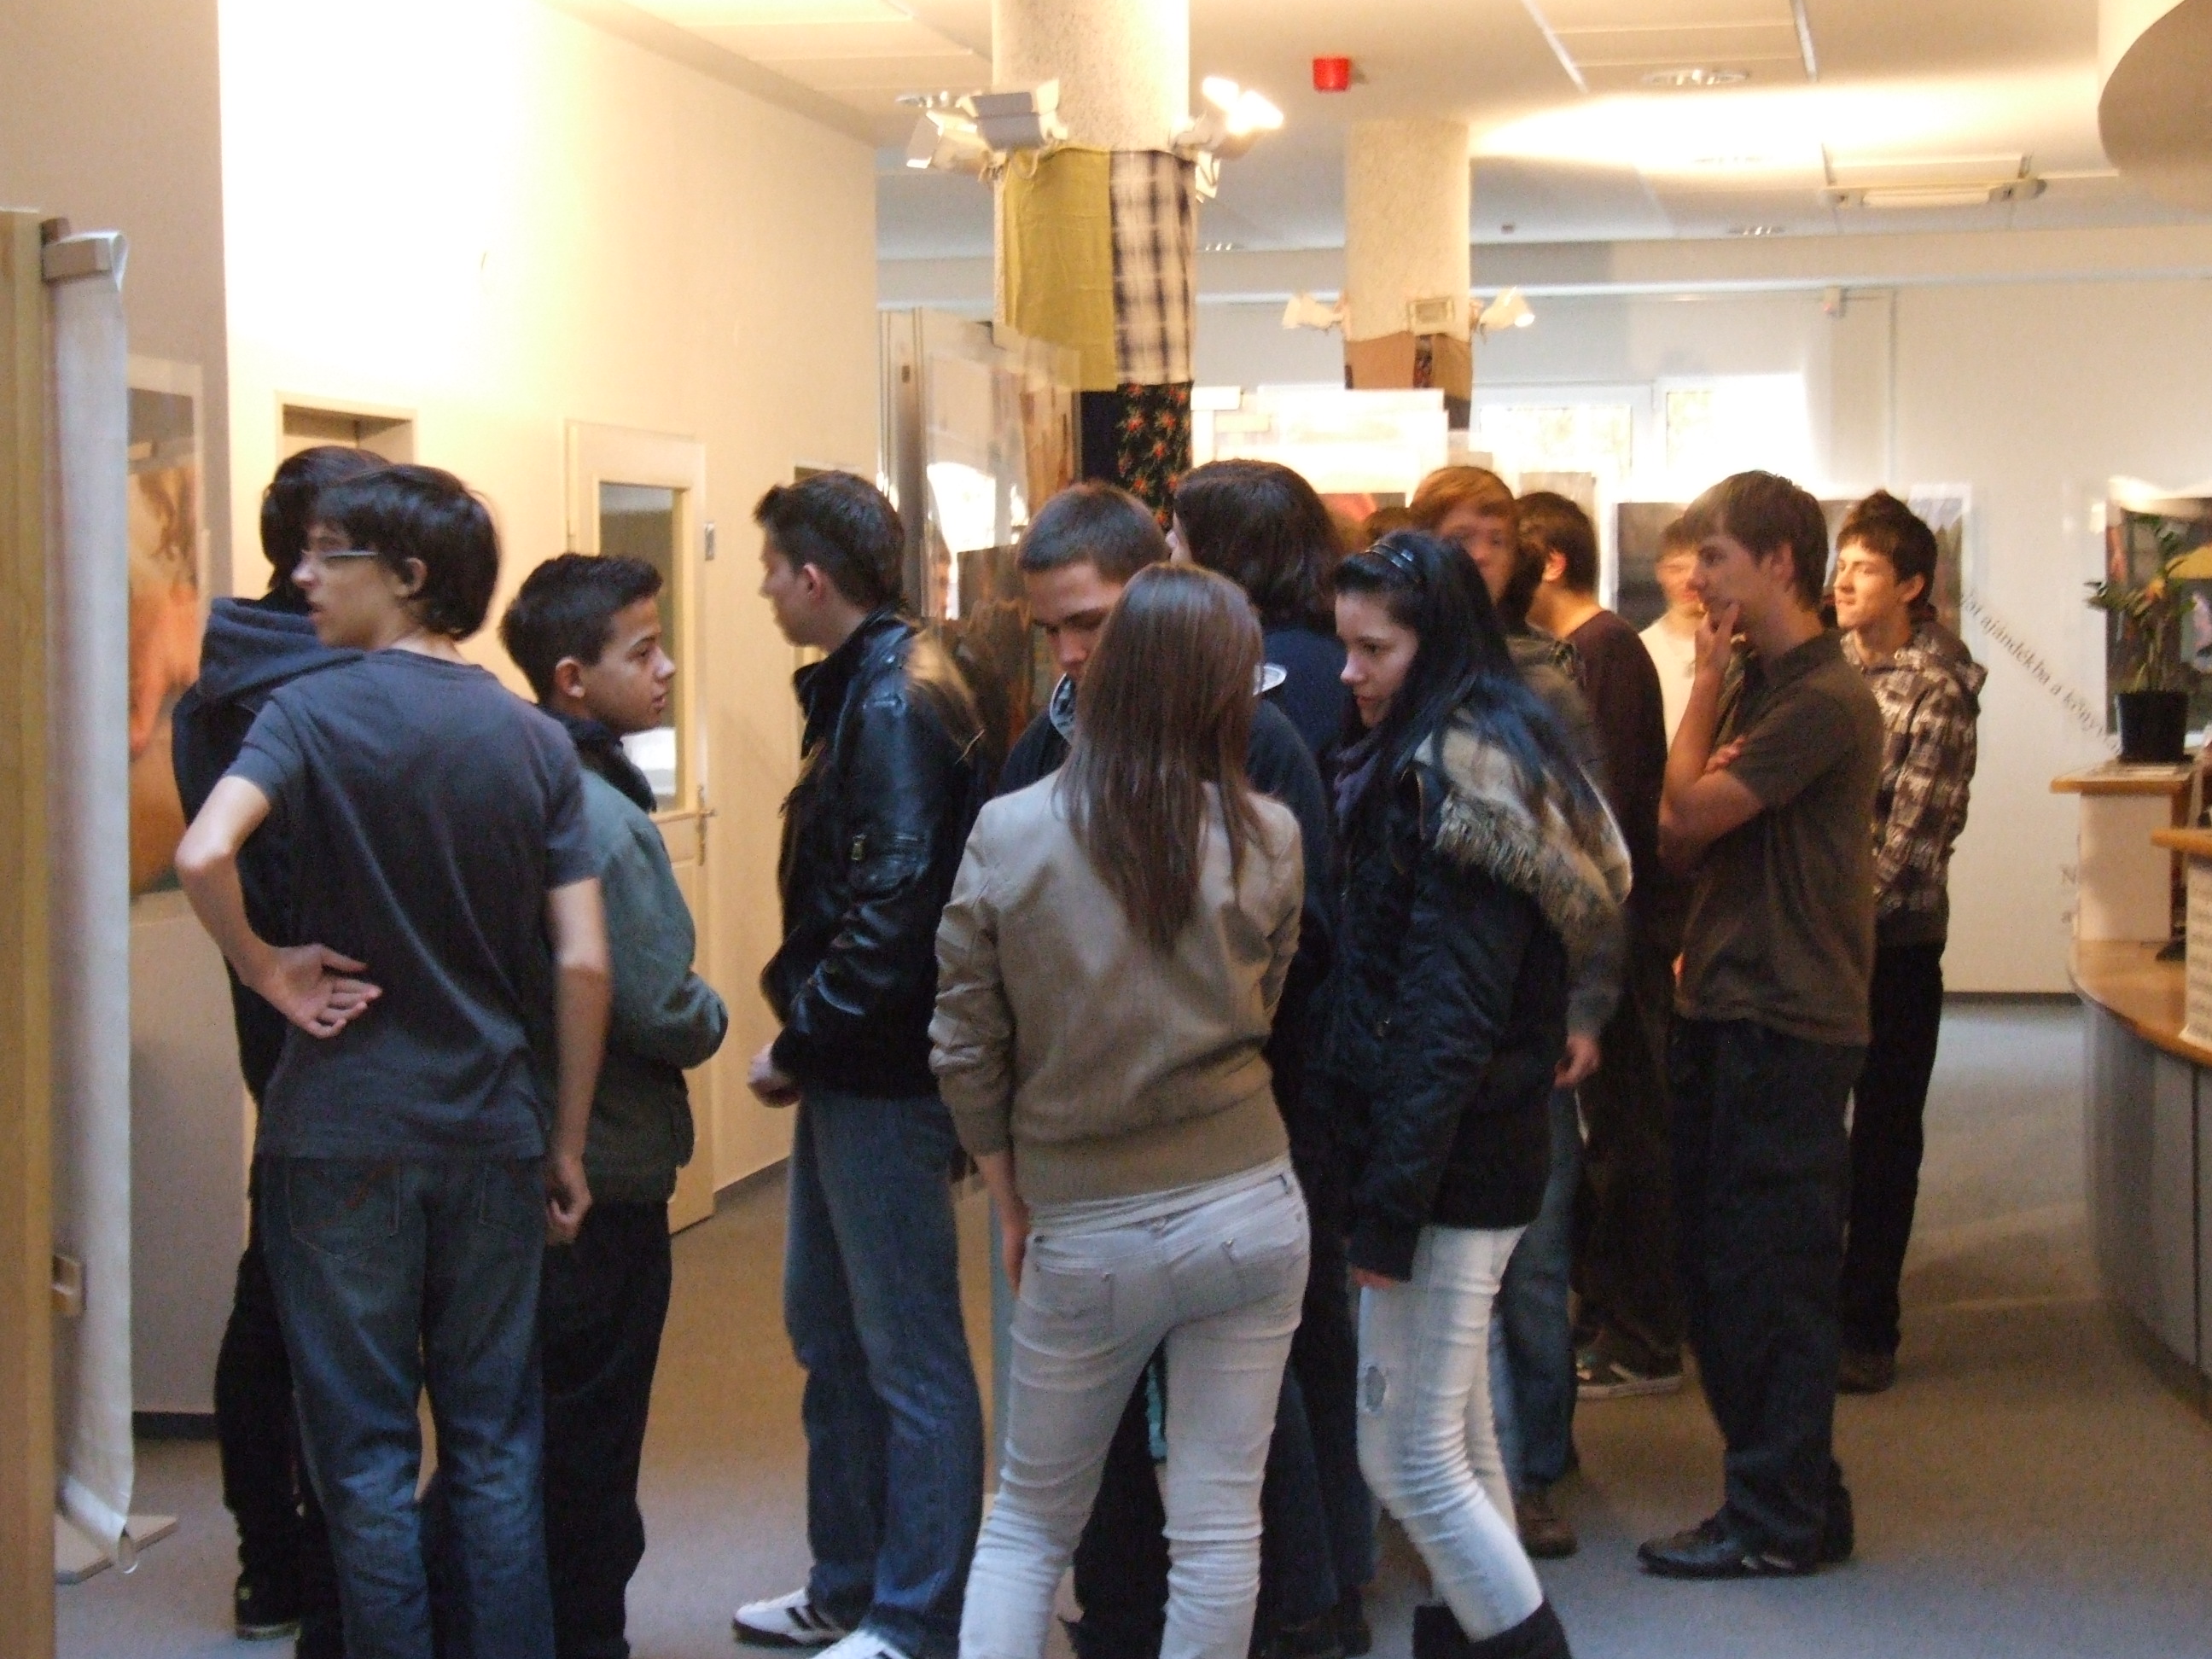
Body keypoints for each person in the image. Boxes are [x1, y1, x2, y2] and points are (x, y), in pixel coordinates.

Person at [175, 463, 611, 1658]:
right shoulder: (534, 740)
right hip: (490, 1127)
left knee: (362, 1458)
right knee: (494, 1447)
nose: (302, 578)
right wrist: (568, 1142)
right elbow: (583, 964)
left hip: (337, 1132)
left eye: (331, 556)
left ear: (410, 576)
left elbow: (204, 852)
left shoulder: (306, 714)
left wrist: (267, 969)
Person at [934, 562, 1312, 1659]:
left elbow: (965, 1044)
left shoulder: (1012, 832)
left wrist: (1010, 1196)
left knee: (1028, 1523)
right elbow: (1269, 1003)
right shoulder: (1269, 836)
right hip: (1250, 1203)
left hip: (1085, 1217)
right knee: (1217, 1528)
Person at [1004, 482, 1356, 1659]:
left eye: (1092, 622)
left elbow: (1308, 960)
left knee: (1251, 1429)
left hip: (1240, 1145)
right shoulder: (1038, 750)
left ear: (1151, 596)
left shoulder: (1257, 741)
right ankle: (1122, 1618)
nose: (1071, 652)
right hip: (1089, 1161)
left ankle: (1303, 1619)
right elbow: (989, 968)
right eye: (1051, 628)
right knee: (1099, 1427)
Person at [1323, 532, 1627, 1659]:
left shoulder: (1459, 779)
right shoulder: (1461, 750)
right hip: (1466, 1148)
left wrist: (1387, 1208)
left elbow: (1444, 1024)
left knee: (1404, 1456)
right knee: (1453, 1438)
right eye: (1348, 646)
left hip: (1452, 1161)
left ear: (1437, 645)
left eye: (1375, 649)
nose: (1350, 671)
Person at [739, 472, 987, 1659]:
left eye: (770, 569)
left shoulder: (893, 699)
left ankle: (912, 1616)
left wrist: (805, 1036)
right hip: (859, 1066)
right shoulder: (879, 683)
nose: (763, 590)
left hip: (885, 1074)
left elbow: (894, 911)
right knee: (832, 1333)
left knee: (907, 1355)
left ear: (813, 577)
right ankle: (849, 1587)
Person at [1642, 469, 1883, 1579]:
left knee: (1767, 1280)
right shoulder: (1763, 683)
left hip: (1784, 1018)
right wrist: (1711, 716)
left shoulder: (1820, 698)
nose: (1697, 580)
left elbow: (1686, 811)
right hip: (1729, 1002)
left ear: (1780, 562)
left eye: (1717, 558)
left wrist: (1699, 691)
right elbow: (1677, 837)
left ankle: (1777, 1520)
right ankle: (1797, 1498)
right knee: (1722, 1272)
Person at [499, 555, 731, 1659]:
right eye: (642, 650)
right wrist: (715, 1010)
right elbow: (657, 1003)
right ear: (571, 678)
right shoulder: (598, 817)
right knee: (589, 1445)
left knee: (512, 1434)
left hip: (507, 1152)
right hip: (601, 1169)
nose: (667, 667)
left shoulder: (507, 781)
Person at [173, 444, 382, 1656]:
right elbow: (257, 867)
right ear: (314, 556)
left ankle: (279, 1560)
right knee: (304, 1306)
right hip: (335, 1026)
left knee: (287, 1290)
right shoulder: (297, 693)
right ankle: (296, 1560)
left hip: (293, 1024)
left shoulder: (233, 673)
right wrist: (271, 964)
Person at [1412, 470, 1613, 1562]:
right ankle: (1446, 1462)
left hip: (1531, 1015)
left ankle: (1535, 1469)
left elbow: (1595, 856)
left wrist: (1589, 1005)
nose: (1479, 554)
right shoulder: (1395, 668)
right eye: (1459, 536)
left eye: (1495, 536)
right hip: (1435, 1022)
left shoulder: (1549, 684)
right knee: (1439, 1269)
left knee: (1534, 1260)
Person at [1519, 494, 1687, 1403]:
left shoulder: (1604, 651)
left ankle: (1644, 1331)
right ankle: (1612, 1311)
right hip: (1604, 934)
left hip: (1618, 935)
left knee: (1630, 1134)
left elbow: (1603, 820)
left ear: (1545, 559)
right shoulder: (1584, 651)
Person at [1830, 492, 1982, 1395]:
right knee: (1814, 1133)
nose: (1845, 582)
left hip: (1893, 947)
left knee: (1884, 1137)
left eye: (1867, 569)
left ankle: (1867, 1326)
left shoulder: (1936, 689)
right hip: (1823, 939)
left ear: (1913, 585)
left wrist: (1828, 924)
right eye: (1842, 565)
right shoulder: (1830, 669)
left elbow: (1912, 844)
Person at [1173, 459, 1353, 756]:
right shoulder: (1333, 642)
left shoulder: (1260, 671)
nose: (1169, 546)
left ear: (1223, 559)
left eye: (1180, 539)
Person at [1639, 520, 1702, 744]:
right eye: (1676, 569)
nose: (1689, 580)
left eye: (1699, 567)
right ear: (1659, 572)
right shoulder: (1642, 648)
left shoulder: (1742, 647)